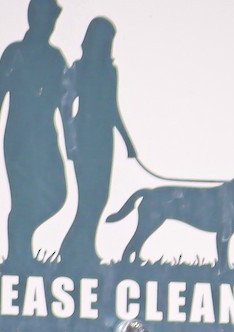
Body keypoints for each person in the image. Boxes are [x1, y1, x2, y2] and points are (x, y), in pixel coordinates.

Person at [0, 0, 68, 261]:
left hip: (45, 136)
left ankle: (21, 245)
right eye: (46, 18)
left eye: (52, 19)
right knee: (22, 198)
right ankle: (18, 257)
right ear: (34, 17)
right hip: (19, 137)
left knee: (57, 194)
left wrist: (71, 141)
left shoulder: (55, 57)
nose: (49, 25)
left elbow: (63, 103)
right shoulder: (14, 53)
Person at [59, 18, 136, 263]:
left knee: (100, 195)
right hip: (84, 137)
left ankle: (82, 247)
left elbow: (112, 108)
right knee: (88, 197)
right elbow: (65, 106)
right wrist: (71, 142)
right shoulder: (78, 69)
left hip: (104, 138)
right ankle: (72, 248)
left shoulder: (109, 71)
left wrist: (127, 142)